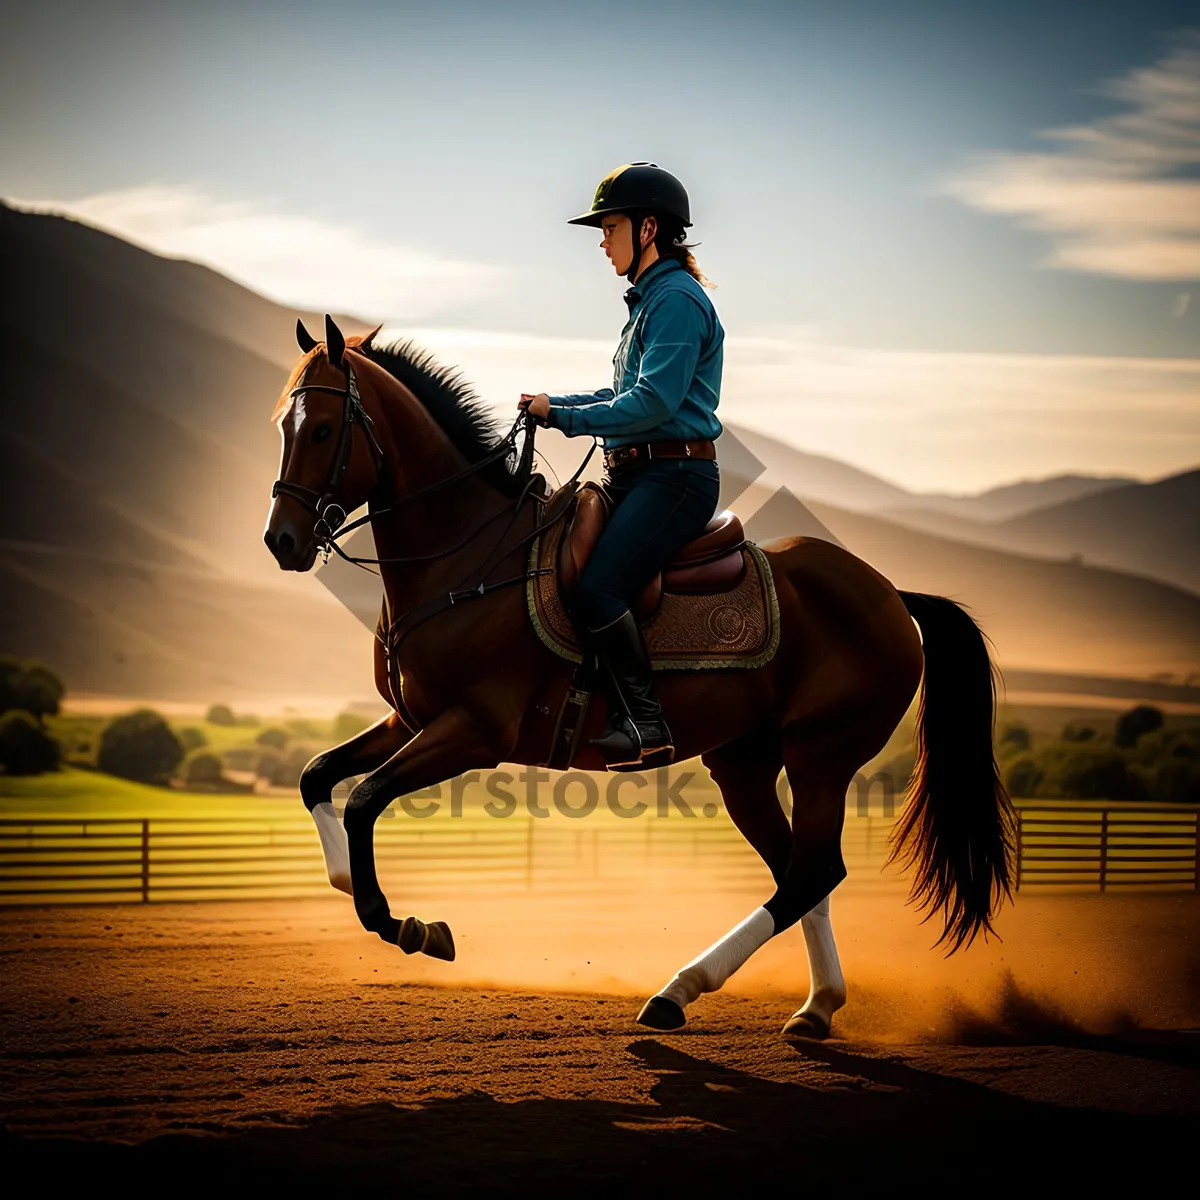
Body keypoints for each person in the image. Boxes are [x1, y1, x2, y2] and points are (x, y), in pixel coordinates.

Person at [519, 162, 724, 769]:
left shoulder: (678, 302)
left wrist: (566, 415)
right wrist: (553, 406)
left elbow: (653, 402)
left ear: (648, 228)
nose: (602, 242)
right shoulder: (650, 302)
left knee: (601, 586)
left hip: (675, 478)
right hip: (640, 474)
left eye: (609, 228)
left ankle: (648, 725)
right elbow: (621, 396)